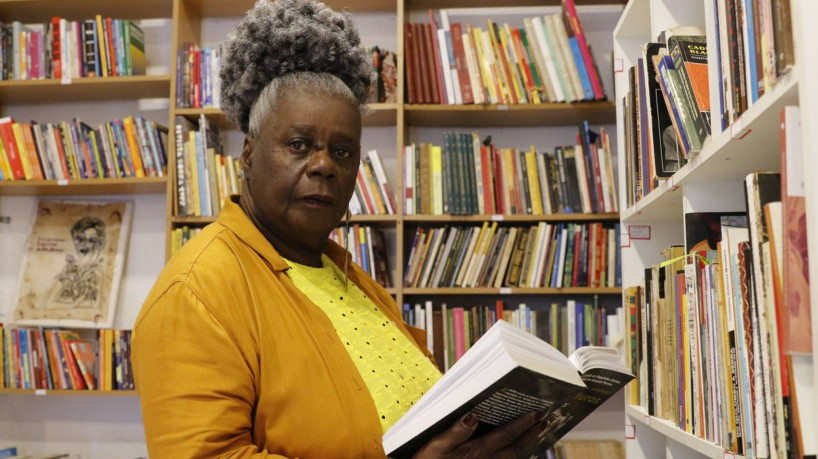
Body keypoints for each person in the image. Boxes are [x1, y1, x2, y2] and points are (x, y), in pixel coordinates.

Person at [132, 0, 546, 457]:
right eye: (298, 144)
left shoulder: (352, 279)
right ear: (248, 154)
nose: (324, 165)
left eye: (344, 151)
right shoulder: (197, 290)